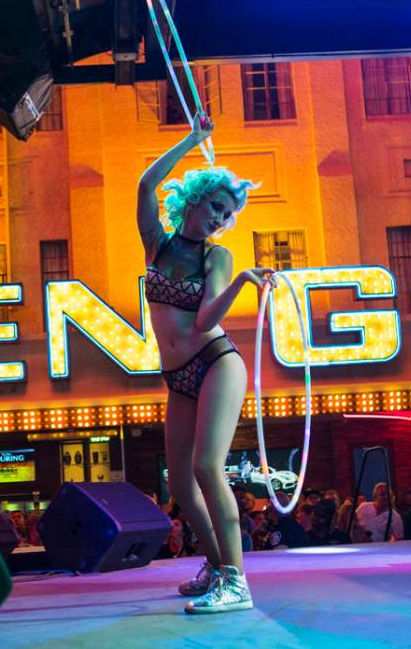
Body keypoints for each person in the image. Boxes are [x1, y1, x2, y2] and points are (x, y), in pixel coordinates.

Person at [138, 113, 267, 614]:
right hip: (179, 378)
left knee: (208, 467)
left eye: (227, 214)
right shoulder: (158, 244)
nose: (219, 219)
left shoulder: (218, 257)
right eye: (216, 206)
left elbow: (203, 320)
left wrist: (239, 283)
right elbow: (147, 182)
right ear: (193, 199)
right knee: (182, 485)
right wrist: (192, 138)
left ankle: (236, 583)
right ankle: (218, 569)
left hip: (216, 361)